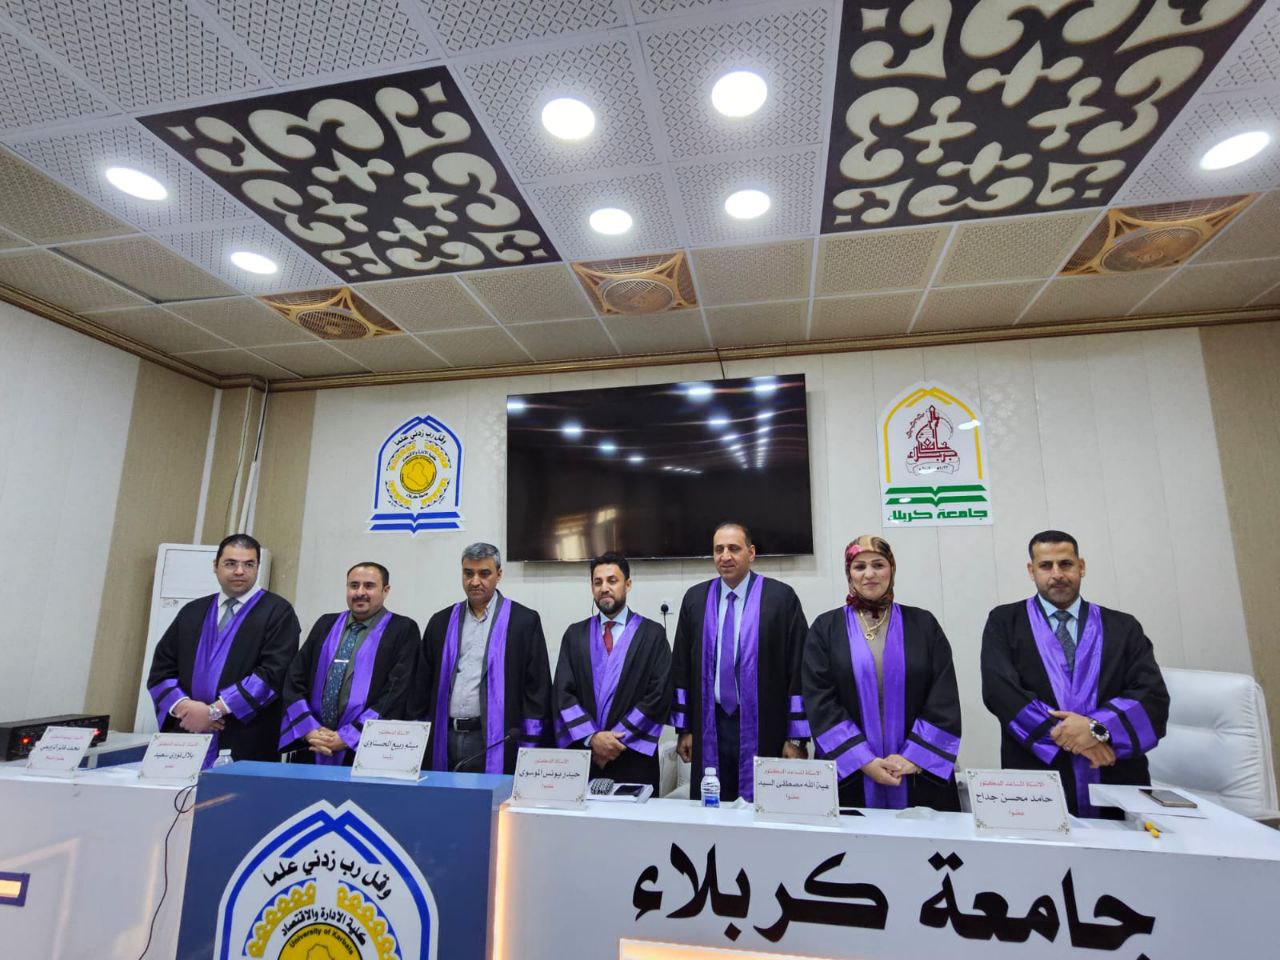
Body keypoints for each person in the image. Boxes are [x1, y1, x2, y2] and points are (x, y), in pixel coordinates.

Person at [981, 530, 1170, 817]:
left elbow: (1151, 696)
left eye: (1066, 564)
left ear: (1081, 567)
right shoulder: (1005, 622)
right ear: (1032, 571)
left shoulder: (1123, 627)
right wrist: (1077, 739)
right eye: (1046, 566)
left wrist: (1098, 729)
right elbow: (1001, 691)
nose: (1057, 574)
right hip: (1038, 774)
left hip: (1114, 771)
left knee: (1120, 843)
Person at [803, 536, 961, 810]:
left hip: (915, 774)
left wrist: (913, 758)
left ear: (892, 569)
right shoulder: (826, 628)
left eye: (878, 565)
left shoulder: (923, 625)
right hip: (850, 774)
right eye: (859, 566)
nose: (869, 574)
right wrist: (862, 759)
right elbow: (819, 699)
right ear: (849, 574)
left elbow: (943, 694)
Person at [671, 522, 809, 802]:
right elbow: (681, 667)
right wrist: (684, 729)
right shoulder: (695, 600)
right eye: (718, 549)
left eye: (734, 548)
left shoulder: (781, 599)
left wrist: (796, 738)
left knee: (764, 808)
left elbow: (800, 669)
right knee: (712, 809)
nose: (725, 556)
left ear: (751, 552)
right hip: (710, 725)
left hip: (766, 727)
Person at [147, 533, 300, 767]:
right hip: (187, 734)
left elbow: (274, 673)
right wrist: (184, 708)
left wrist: (214, 711)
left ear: (257, 567)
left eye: (248, 564)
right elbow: (162, 669)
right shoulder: (192, 612)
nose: (239, 571)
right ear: (215, 566)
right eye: (230, 563)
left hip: (245, 737)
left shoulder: (277, 612)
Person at [416, 543, 552, 773]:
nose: (475, 581)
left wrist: (531, 742)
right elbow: (421, 685)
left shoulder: (523, 621)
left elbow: (537, 688)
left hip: (495, 740)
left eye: (484, 573)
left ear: (499, 574)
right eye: (468, 573)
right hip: (444, 736)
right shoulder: (441, 622)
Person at [278, 562, 420, 765]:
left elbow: (397, 691)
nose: (360, 592)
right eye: (354, 585)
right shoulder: (326, 624)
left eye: (369, 586)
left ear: (385, 590)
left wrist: (348, 736)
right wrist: (309, 729)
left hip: (366, 749)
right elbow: (295, 677)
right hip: (313, 743)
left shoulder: (402, 629)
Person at [553, 552, 672, 790]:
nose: (604, 588)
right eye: (597, 582)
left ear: (627, 584)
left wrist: (615, 740)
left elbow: (660, 694)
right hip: (586, 757)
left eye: (612, 580)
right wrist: (593, 738)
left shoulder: (652, 635)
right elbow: (562, 694)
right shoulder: (575, 635)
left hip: (634, 756)